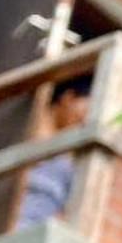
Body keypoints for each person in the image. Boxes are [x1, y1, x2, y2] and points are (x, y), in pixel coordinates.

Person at [15, 75, 91, 229]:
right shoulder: (25, 132)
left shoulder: (68, 166)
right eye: (86, 109)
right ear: (69, 99)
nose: (85, 120)